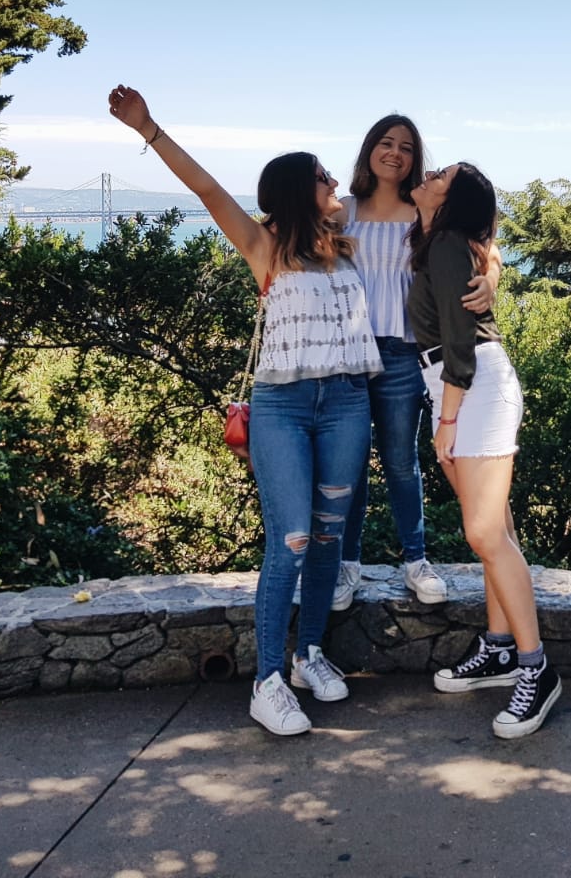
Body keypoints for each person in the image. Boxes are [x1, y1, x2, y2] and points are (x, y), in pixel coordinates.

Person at [108, 84, 377, 737]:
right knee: (288, 539)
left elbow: (406, 213)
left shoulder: (346, 245)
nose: (335, 181)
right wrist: (149, 127)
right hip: (284, 406)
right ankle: (267, 682)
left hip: (347, 401)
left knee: (326, 537)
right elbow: (206, 189)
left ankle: (310, 653)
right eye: (322, 177)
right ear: (295, 190)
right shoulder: (264, 247)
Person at [321, 115, 499, 611]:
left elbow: (484, 246)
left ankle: (416, 562)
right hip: (350, 354)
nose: (394, 153)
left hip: (402, 353)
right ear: (369, 150)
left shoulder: (427, 213)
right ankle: (346, 566)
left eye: (405, 146)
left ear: (415, 157)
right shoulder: (344, 211)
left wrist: (493, 277)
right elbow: (287, 235)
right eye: (385, 143)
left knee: (401, 462)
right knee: (350, 465)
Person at [408, 162, 560, 739]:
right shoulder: (434, 241)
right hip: (456, 387)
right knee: (496, 528)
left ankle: (534, 668)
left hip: (471, 388)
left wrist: (446, 420)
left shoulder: (445, 244)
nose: (427, 170)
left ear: (454, 200)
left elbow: (461, 343)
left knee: (484, 534)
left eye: (440, 173)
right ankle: (499, 648)